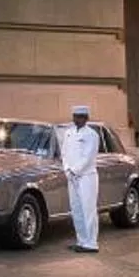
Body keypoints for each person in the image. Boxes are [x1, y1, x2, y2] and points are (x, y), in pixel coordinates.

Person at [53, 103, 103, 252]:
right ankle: (81, 240)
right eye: (75, 116)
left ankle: (92, 243)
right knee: (76, 209)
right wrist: (67, 169)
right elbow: (64, 153)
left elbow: (89, 157)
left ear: (86, 118)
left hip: (87, 176)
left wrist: (75, 170)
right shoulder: (68, 133)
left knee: (88, 209)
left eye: (81, 117)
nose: (77, 119)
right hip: (71, 176)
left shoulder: (92, 135)